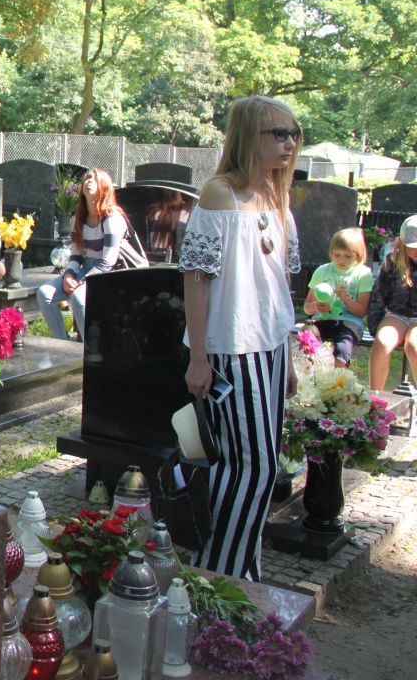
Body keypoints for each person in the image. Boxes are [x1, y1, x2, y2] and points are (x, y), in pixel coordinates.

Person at [179, 95, 301, 581]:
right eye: (279, 133)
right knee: (253, 466)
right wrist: (199, 358)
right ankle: (217, 576)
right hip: (230, 348)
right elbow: (196, 280)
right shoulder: (219, 195)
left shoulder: (276, 195)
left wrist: (287, 356)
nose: (289, 143)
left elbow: (280, 287)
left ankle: (243, 572)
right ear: (251, 135)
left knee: (255, 467)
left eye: (294, 134)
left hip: (269, 348)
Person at [36, 168, 127, 341]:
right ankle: (62, 344)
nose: (88, 181)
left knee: (78, 297)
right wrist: (68, 276)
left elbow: (108, 262)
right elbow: (76, 255)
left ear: (104, 186)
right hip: (85, 270)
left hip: (109, 274)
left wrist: (81, 282)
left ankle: (91, 349)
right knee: (44, 293)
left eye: (94, 178)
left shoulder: (112, 218)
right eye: (86, 178)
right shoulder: (78, 219)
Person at [302, 228, 372, 369]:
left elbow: (362, 311)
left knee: (342, 351)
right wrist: (317, 306)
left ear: (358, 255)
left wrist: (345, 298)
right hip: (322, 319)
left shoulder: (363, 274)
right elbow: (307, 308)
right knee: (307, 338)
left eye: (348, 256)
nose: (341, 260)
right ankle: (308, 376)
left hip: (349, 322)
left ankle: (340, 380)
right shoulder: (322, 271)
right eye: (337, 255)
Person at [366, 217, 417, 393]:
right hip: (397, 314)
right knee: (382, 343)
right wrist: (375, 325)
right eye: (412, 246)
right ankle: (375, 398)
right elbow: (379, 294)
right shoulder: (392, 261)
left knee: (414, 346)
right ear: (402, 243)